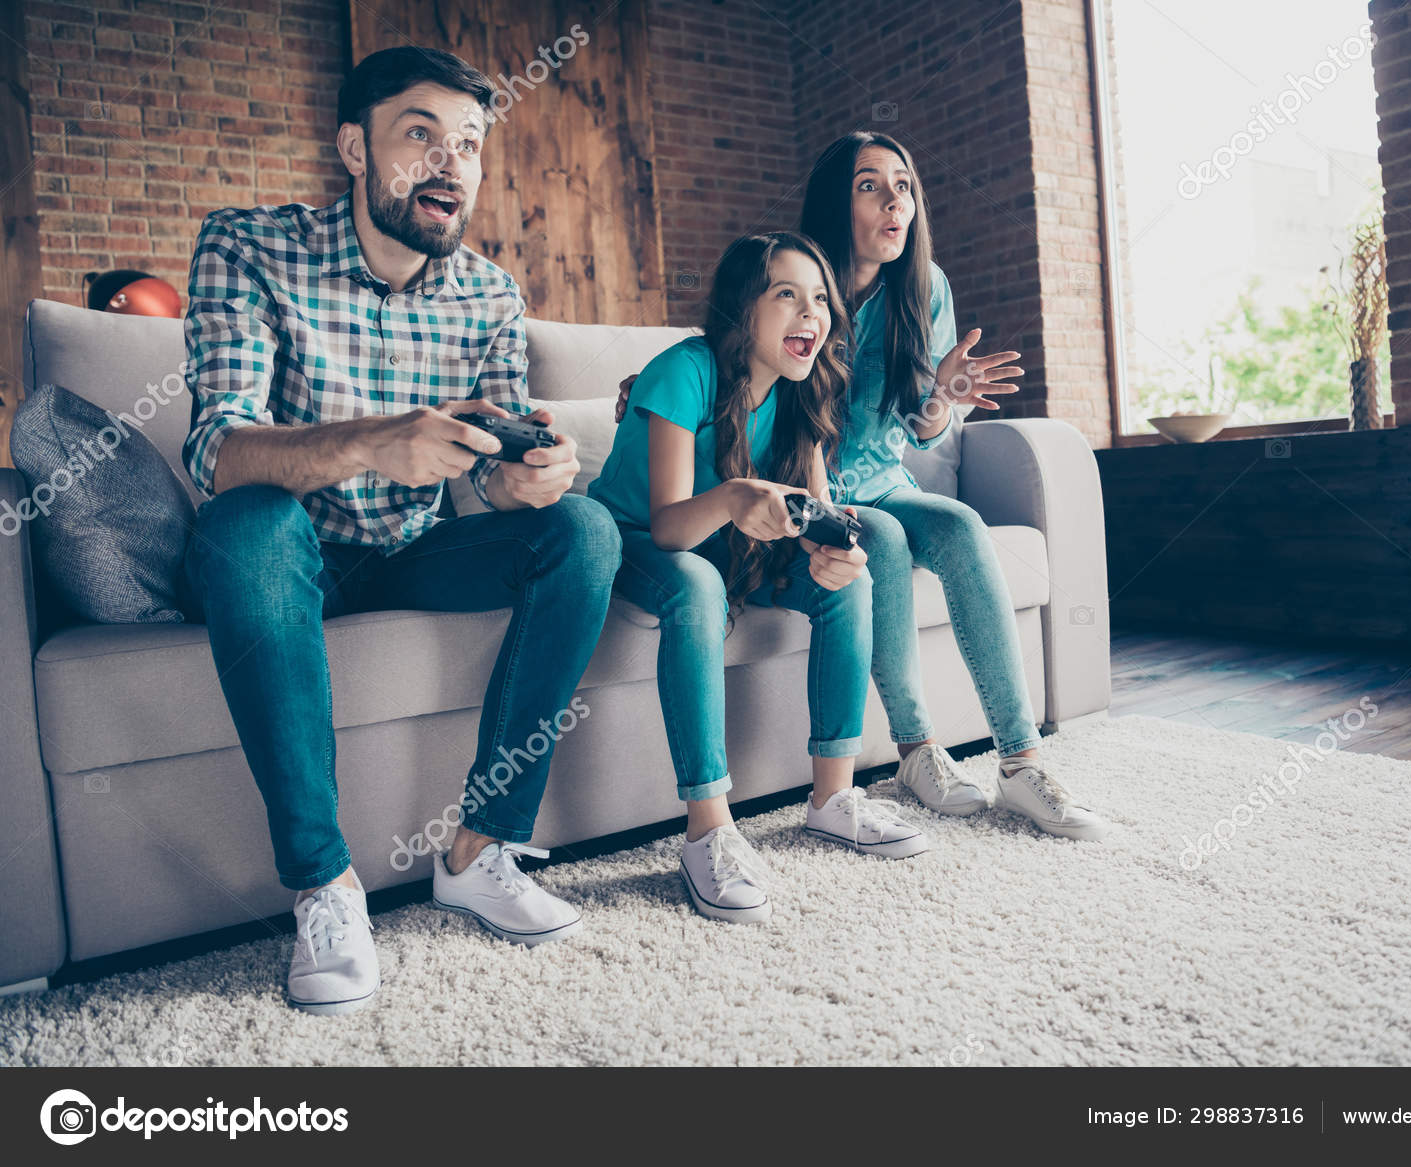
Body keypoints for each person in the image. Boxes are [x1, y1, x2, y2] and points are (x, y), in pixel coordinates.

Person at [181, 47, 621, 1015]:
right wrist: (375, 441)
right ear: (354, 148)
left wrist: (524, 478)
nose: (449, 161)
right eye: (419, 133)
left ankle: (479, 850)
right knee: (246, 523)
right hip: (289, 549)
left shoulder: (490, 295)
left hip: (412, 550)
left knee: (583, 530)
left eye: (467, 142)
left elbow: (492, 477)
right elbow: (216, 449)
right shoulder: (248, 246)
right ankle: (323, 885)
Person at [588, 231, 927, 925]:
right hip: (636, 538)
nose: (811, 314)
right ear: (743, 308)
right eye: (787, 295)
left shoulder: (805, 391)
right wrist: (735, 496)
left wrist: (837, 552)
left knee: (850, 583)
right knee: (698, 587)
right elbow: (669, 528)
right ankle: (708, 830)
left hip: (729, 541)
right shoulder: (685, 370)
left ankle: (833, 799)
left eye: (820, 300)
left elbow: (817, 514)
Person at [797, 131, 1108, 840]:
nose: (894, 203)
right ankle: (917, 752)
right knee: (878, 536)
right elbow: (745, 381)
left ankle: (1022, 763)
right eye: (870, 186)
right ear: (835, 202)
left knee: (962, 526)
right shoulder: (797, 280)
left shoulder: (924, 287)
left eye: (903, 186)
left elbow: (923, 431)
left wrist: (944, 396)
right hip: (809, 491)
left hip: (884, 480)